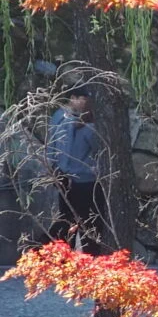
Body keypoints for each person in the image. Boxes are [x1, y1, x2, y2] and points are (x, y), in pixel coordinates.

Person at [46, 91, 104, 253]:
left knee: (70, 218)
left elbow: (54, 148)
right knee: (87, 220)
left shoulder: (59, 117)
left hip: (70, 176)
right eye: (78, 98)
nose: (81, 101)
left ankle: (63, 255)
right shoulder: (80, 124)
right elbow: (61, 148)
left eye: (84, 98)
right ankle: (84, 256)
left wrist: (59, 170)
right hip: (81, 177)